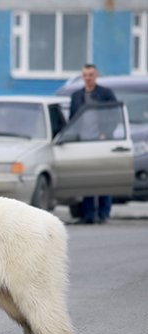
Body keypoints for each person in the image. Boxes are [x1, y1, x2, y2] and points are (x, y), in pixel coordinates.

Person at [69, 63, 117, 224]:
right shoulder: (77, 96)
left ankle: (104, 213)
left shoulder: (105, 94)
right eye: (85, 75)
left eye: (90, 75)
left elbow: (114, 115)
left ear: (95, 76)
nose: (88, 78)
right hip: (83, 143)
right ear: (82, 76)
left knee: (104, 179)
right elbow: (72, 119)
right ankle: (88, 215)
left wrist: (106, 133)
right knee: (87, 179)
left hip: (102, 142)